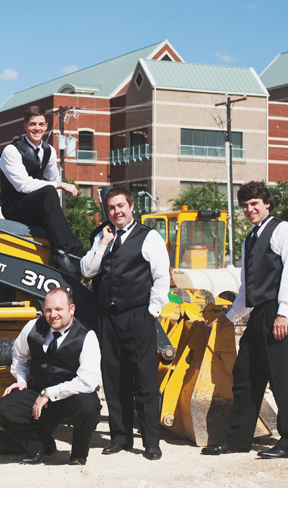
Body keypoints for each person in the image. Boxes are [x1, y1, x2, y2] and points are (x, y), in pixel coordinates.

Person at [202, 181, 288, 459]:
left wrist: (284, 313)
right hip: (259, 313)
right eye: (245, 205)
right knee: (245, 375)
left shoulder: (284, 230)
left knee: (284, 380)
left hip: (282, 312)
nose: (249, 209)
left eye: (254, 204)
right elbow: (247, 287)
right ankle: (238, 438)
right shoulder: (250, 239)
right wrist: (230, 316)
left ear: (267, 203)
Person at [80, 186, 170, 460]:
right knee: (114, 377)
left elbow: (161, 278)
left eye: (121, 206)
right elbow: (87, 270)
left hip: (138, 316)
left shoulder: (149, 237)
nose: (117, 212)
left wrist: (152, 312)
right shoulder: (102, 237)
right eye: (111, 208)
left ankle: (151, 441)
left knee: (144, 379)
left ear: (131, 207)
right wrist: (103, 242)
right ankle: (120, 436)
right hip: (107, 317)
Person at [0, 288, 102, 466]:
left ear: (71, 309)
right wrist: (21, 380)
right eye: (49, 310)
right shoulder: (32, 327)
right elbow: (19, 354)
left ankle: (78, 455)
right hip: (37, 392)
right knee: (2, 409)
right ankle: (41, 445)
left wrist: (48, 393)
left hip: (70, 397)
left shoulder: (87, 337)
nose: (53, 315)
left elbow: (88, 381)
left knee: (89, 408)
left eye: (59, 309)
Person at [0, 105, 84, 275]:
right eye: (32, 124)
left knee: (73, 240)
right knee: (48, 190)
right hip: (13, 206)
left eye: (40, 124)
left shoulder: (48, 151)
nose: (36, 128)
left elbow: (54, 179)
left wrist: (55, 213)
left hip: (36, 206)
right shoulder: (12, 150)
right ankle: (59, 253)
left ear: (46, 126)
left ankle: (75, 262)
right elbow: (23, 185)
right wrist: (59, 185)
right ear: (25, 126)